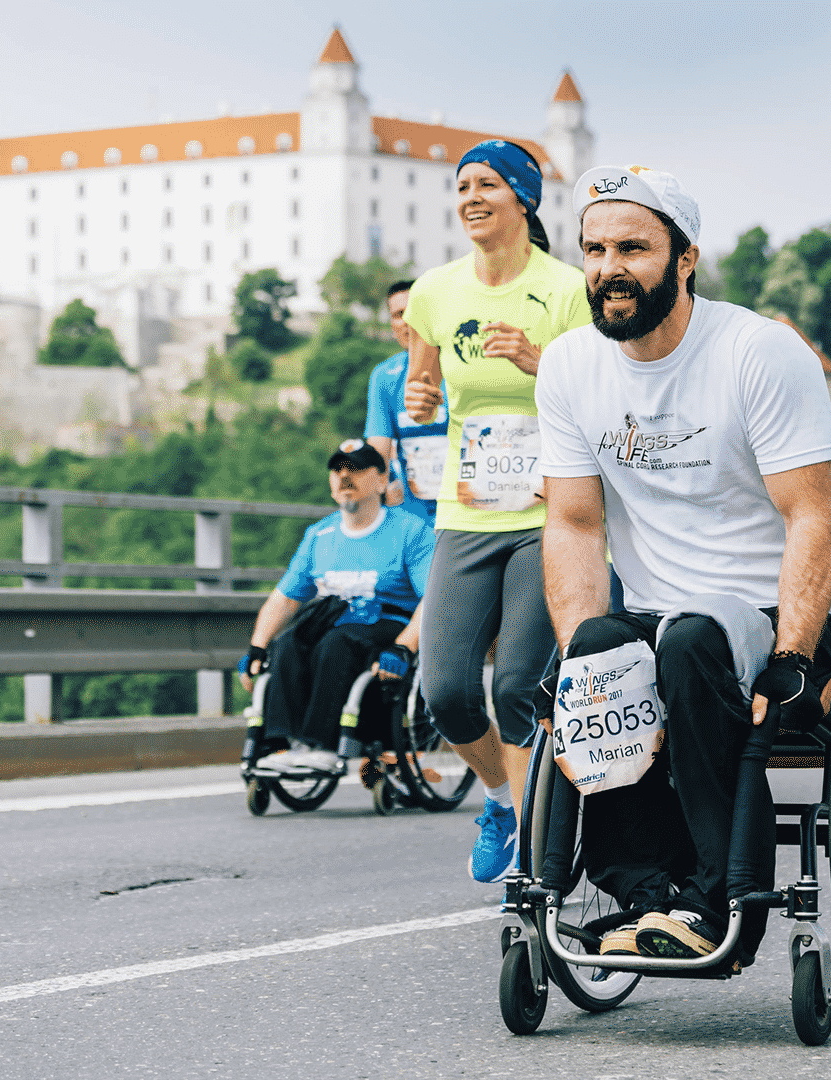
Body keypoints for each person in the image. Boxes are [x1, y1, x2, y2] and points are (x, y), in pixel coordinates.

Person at [537, 164, 831, 963]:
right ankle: (648, 892)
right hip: (657, 613)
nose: (610, 268)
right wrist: (578, 655)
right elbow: (574, 524)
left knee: (692, 642)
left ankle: (714, 902)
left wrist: (789, 656)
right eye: (595, 249)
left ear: (685, 259)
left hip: (774, 609)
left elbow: (812, 517)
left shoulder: (759, 353)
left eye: (633, 248)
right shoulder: (570, 365)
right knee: (607, 652)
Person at [401, 140, 591, 882]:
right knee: (445, 688)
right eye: (462, 186)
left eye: (487, 184)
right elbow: (423, 386)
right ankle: (500, 802)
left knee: (516, 683)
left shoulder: (568, 289)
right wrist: (419, 399)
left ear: (524, 199)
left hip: (550, 514)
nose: (471, 196)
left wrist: (544, 361)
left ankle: (534, 843)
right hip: (468, 509)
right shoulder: (435, 293)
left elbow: (605, 395)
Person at [238, 441, 432, 774]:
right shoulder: (319, 535)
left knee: (338, 643)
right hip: (335, 620)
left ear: (383, 480)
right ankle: (280, 743)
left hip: (388, 621)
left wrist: (403, 647)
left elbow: (432, 599)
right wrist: (257, 646)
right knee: (288, 643)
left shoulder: (410, 532)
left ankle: (322, 745)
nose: (344, 476)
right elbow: (285, 597)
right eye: (337, 470)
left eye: (355, 469)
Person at [364, 280, 450, 525]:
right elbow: (377, 452)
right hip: (413, 518)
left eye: (415, 311)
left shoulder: (460, 367)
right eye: (399, 315)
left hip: (468, 515)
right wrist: (376, 506)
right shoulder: (384, 376)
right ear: (392, 325)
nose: (408, 321)